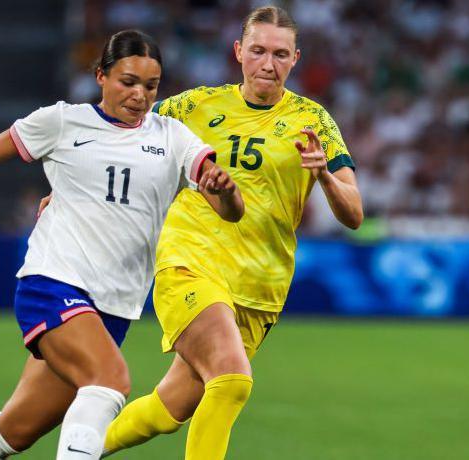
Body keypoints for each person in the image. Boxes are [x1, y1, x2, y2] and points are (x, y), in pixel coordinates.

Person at [0, 29, 243, 460]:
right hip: (53, 283)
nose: (140, 95)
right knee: (110, 380)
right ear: (100, 76)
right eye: (128, 81)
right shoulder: (63, 121)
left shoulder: (172, 138)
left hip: (112, 309)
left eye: (151, 85)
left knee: (15, 430)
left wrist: (225, 189)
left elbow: (229, 210)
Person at [100, 6, 363, 460]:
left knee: (169, 410)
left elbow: (355, 213)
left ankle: (79, 450)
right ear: (239, 52)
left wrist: (323, 175)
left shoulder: (314, 120)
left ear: (295, 58)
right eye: (258, 51)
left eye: (280, 54)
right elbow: (117, 136)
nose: (268, 63)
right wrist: (69, 193)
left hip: (260, 288)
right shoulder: (193, 106)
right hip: (190, 262)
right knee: (232, 380)